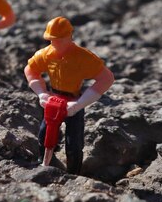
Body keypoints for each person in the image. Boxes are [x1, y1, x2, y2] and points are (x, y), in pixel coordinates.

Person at [24, 16, 114, 174]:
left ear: (69, 37)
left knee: (74, 142)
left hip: (73, 101)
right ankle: (45, 163)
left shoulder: (83, 57)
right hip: (53, 99)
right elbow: (30, 70)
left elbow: (106, 78)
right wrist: (41, 93)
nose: (55, 43)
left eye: (60, 39)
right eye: (52, 40)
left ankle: (74, 172)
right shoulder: (46, 54)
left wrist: (79, 104)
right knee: (44, 134)